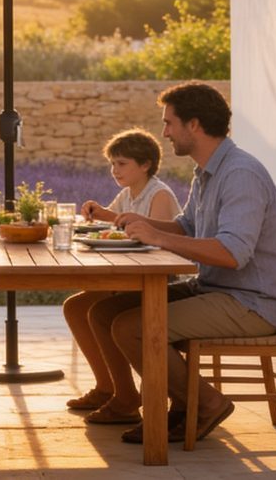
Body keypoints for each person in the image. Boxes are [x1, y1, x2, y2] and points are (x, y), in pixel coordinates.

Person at [89, 82, 276, 445]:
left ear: (193, 125)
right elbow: (186, 227)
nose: (164, 133)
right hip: (216, 289)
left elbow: (232, 253)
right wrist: (141, 224)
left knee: (133, 327)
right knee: (104, 313)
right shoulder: (208, 170)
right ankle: (151, 402)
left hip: (250, 303)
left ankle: (205, 402)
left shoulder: (239, 174)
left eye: (169, 123)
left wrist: (160, 238)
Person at [63, 129, 181, 424]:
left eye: (122, 164)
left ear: (146, 165)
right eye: (112, 164)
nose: (115, 170)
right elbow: (115, 224)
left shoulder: (160, 195)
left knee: (94, 310)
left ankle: (126, 397)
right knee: (76, 307)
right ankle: (109, 388)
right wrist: (99, 212)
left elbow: (163, 247)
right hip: (132, 275)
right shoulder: (129, 192)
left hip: (159, 283)